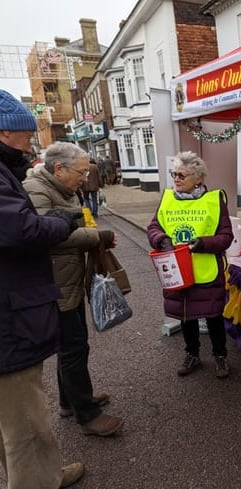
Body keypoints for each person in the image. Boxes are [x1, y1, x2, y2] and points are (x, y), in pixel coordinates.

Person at [0, 89, 85, 488]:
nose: (30, 142)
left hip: (13, 306)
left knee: (13, 417)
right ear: (4, 133)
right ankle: (38, 479)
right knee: (25, 417)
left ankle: (40, 472)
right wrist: (64, 223)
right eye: (25, 134)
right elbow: (23, 230)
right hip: (9, 314)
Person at [23, 142, 125, 437]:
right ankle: (88, 415)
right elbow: (48, 235)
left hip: (65, 280)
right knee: (74, 347)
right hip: (55, 283)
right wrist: (97, 236)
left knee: (71, 346)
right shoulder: (36, 189)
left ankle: (70, 400)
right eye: (80, 172)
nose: (85, 177)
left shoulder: (59, 188)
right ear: (59, 168)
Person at [147, 151, 234, 377]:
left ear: (198, 179)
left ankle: (220, 356)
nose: (176, 179)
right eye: (174, 174)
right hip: (178, 271)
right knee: (187, 316)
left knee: (213, 317)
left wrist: (204, 243)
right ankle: (192, 354)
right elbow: (154, 228)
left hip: (206, 270)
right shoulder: (167, 199)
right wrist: (161, 240)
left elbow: (226, 236)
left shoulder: (214, 201)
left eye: (182, 175)